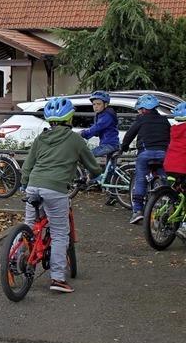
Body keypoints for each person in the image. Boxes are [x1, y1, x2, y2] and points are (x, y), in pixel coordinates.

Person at [20, 97, 101, 293]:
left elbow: (28, 165)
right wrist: (95, 176)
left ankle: (13, 260)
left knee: (29, 226)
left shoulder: (41, 138)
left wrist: (24, 184)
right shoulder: (75, 140)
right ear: (70, 118)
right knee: (59, 234)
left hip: (33, 186)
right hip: (55, 189)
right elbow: (93, 167)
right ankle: (57, 278)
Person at [121, 94, 171, 224]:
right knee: (165, 178)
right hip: (163, 154)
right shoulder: (164, 120)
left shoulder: (141, 120)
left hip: (145, 154)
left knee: (140, 179)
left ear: (143, 109)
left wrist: (124, 147)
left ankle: (137, 211)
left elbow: (130, 134)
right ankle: (168, 203)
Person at [80, 90, 121, 205]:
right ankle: (112, 195)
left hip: (109, 145)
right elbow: (98, 129)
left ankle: (93, 178)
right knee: (110, 172)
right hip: (111, 144)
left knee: (89, 155)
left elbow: (98, 127)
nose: (96, 107)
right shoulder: (103, 114)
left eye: (98, 104)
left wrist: (84, 133)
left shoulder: (107, 115)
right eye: (94, 104)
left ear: (105, 104)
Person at [163, 102, 186, 238]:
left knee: (179, 191)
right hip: (183, 168)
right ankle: (184, 226)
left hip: (170, 167)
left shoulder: (175, 129)